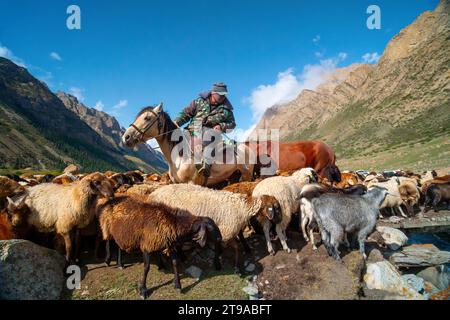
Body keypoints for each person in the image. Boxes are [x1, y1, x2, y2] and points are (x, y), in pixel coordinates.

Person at [174, 82, 236, 178]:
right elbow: (186, 114)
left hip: (211, 133)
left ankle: (205, 165)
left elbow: (232, 124)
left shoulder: (227, 110)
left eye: (224, 95)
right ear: (213, 92)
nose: (222, 97)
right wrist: (177, 122)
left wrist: (221, 126)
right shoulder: (198, 101)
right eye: (220, 95)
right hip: (193, 129)